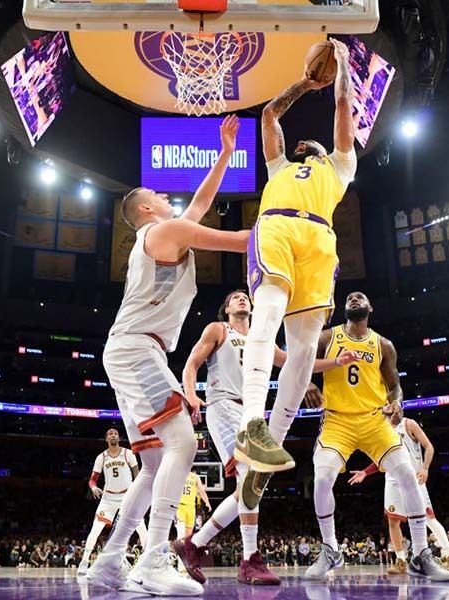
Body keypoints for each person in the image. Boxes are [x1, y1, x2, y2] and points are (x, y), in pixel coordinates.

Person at [88, 115, 250, 596]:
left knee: (158, 464)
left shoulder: (166, 232)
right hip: (138, 349)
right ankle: (155, 558)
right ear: (144, 208)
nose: (165, 195)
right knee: (182, 443)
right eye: (156, 194)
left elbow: (200, 205)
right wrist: (290, 234)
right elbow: (238, 241)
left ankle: (113, 561)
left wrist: (224, 153)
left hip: (135, 349)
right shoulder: (159, 234)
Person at [235, 38, 357, 480]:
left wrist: (341, 67)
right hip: (279, 225)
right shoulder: (280, 168)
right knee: (266, 312)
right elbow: (268, 115)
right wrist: (305, 85)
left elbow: (343, 109)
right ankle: (251, 424)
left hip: (320, 241)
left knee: (304, 351)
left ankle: (271, 447)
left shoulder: (341, 166)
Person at [299, 292, 449, 581]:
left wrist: (397, 403)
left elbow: (395, 386)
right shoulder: (327, 337)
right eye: (351, 297)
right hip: (337, 420)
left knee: (407, 473)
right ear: (345, 308)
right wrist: (307, 383)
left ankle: (420, 553)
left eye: (361, 297)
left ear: (370, 308)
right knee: (321, 479)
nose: (355, 298)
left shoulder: (383, 344)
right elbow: (302, 362)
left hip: (375, 421)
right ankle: (331, 548)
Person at [174, 290, 287, 585]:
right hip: (223, 405)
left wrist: (328, 364)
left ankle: (194, 544)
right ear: (226, 309)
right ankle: (250, 559)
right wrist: (191, 394)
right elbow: (191, 364)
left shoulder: (261, 338)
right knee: (250, 478)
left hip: (251, 413)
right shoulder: (218, 329)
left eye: (244, 296)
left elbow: (291, 362)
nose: (241, 298)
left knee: (251, 487)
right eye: (234, 297)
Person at [348, 404, 449, 574]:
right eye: (386, 405)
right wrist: (365, 472)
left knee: (429, 519)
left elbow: (429, 447)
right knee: (393, 521)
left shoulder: (409, 424)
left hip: (414, 477)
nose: (391, 407)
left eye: (395, 405)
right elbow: (381, 460)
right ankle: (400, 560)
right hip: (392, 480)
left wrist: (425, 467)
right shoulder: (382, 430)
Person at [77, 429, 147, 578]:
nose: (113, 435)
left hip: (127, 496)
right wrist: (94, 487)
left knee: (141, 528)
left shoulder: (128, 453)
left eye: (115, 433)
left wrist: (138, 493)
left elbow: (138, 475)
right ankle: (84, 562)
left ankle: (148, 562)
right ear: (106, 439)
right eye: (110, 434)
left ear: (119, 438)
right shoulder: (101, 457)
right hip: (108, 498)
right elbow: (92, 480)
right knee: (95, 530)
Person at [175, 471, 210, 541]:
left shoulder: (195, 477)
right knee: (181, 534)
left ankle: (184, 550)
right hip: (180, 507)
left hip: (191, 508)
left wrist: (207, 502)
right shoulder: (177, 475)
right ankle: (176, 551)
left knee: (188, 537)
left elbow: (202, 491)